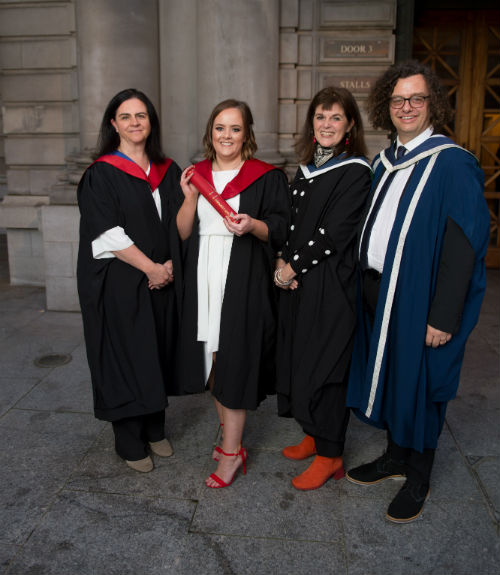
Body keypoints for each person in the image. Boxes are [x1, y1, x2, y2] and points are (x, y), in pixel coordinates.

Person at [346, 61, 490, 522]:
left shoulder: (452, 164)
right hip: (378, 292)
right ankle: (394, 457)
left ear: (433, 104)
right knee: (390, 375)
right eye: (398, 99)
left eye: (417, 98)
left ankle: (419, 474)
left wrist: (444, 317)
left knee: (423, 382)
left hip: (419, 299)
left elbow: (464, 246)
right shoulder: (384, 162)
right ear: (386, 106)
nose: (406, 107)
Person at [176, 99, 289, 488]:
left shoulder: (265, 177)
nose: (227, 135)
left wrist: (252, 224)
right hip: (202, 274)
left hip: (241, 278)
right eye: (220, 128)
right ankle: (230, 437)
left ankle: (230, 454)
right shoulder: (196, 175)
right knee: (210, 362)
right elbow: (183, 234)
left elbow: (280, 228)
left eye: (235, 128)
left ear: (247, 133)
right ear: (211, 132)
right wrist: (190, 198)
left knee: (234, 363)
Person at [77, 88, 183, 473]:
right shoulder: (102, 173)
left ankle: (155, 427)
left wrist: (170, 264)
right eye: (126, 116)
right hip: (120, 282)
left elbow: (180, 221)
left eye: (141, 115)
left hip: (162, 278)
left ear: (150, 122)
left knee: (157, 349)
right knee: (125, 353)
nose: (135, 122)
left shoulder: (168, 170)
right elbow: (107, 234)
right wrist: (152, 269)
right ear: (113, 124)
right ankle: (128, 437)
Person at [275, 87, 372, 490]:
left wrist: (291, 266)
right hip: (299, 283)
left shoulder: (355, 171)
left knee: (327, 367)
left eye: (335, 117)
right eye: (320, 117)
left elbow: (334, 234)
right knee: (302, 359)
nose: (326, 124)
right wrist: (283, 262)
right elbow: (290, 223)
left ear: (350, 124)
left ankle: (331, 454)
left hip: (331, 286)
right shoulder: (306, 168)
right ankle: (314, 434)